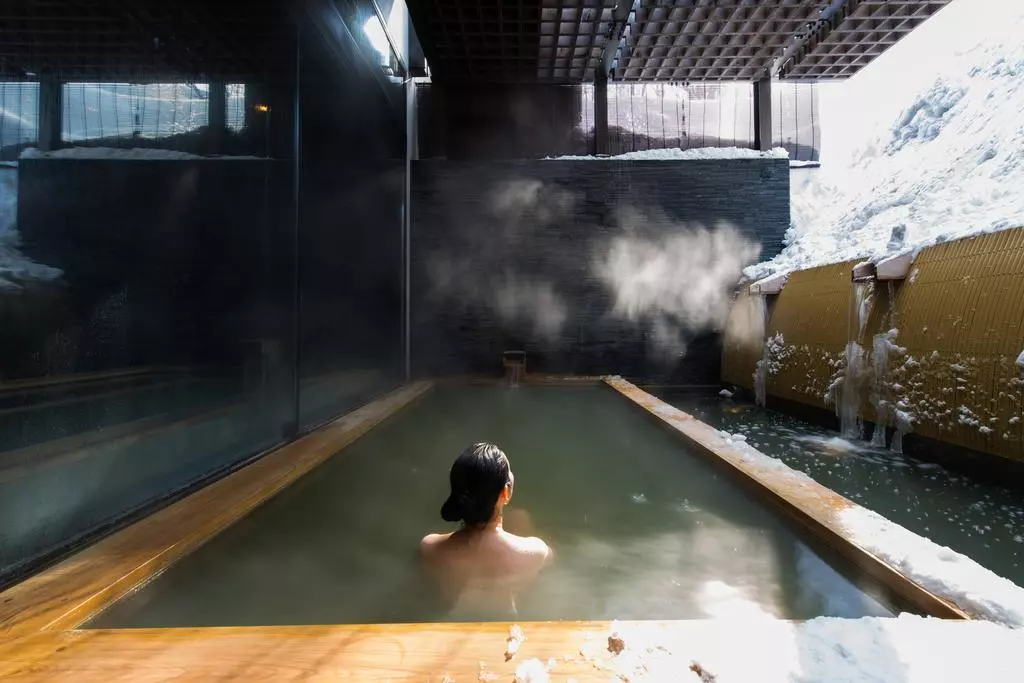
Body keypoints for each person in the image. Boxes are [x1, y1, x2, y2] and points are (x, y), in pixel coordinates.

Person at [420, 443, 552, 615]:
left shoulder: (429, 548)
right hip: (506, 630)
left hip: (450, 625)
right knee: (520, 517)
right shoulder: (536, 552)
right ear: (506, 493)